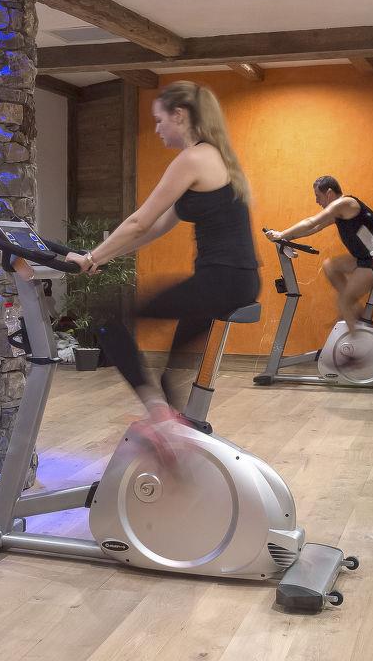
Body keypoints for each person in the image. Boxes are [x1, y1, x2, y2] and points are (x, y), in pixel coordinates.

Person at [70, 81, 260, 450]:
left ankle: (158, 413)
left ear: (180, 115)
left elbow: (139, 221)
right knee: (171, 374)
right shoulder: (215, 157)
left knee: (106, 315)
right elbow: (155, 227)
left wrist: (91, 258)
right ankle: (176, 438)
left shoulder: (192, 159)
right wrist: (101, 256)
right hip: (235, 280)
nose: (157, 129)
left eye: (160, 120)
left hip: (221, 281)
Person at [263, 177, 373, 328]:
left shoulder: (345, 203)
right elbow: (316, 227)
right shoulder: (339, 212)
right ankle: (353, 310)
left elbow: (311, 222)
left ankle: (352, 327)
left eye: (318, 196)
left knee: (343, 302)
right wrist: (286, 237)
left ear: (329, 193)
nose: (316, 201)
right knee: (330, 266)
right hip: (365, 258)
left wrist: (281, 234)